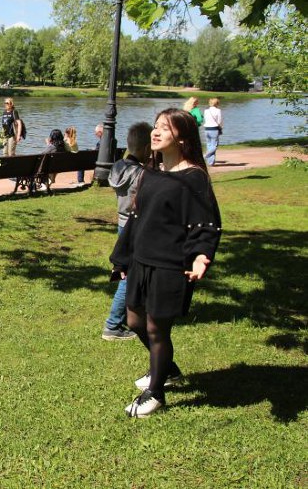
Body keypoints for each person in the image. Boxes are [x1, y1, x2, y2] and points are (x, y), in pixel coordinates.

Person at [110, 108, 221, 418]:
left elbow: (206, 224)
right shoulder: (151, 171)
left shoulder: (194, 177)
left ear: (182, 139)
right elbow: (136, 219)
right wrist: (122, 258)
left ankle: (156, 394)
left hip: (170, 265)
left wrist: (201, 256)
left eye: (165, 129)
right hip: (141, 261)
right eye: (155, 126)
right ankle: (167, 369)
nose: (155, 132)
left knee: (157, 329)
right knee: (134, 322)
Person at [101, 122, 152, 342]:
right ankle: (113, 325)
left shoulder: (118, 167)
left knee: (128, 271)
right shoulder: (140, 173)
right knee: (128, 276)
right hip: (135, 225)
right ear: (147, 148)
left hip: (122, 221)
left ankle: (139, 310)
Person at [203, 97, 223, 166]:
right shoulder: (218, 110)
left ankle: (211, 162)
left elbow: (205, 119)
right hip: (214, 129)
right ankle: (205, 156)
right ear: (217, 103)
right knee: (214, 145)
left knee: (209, 145)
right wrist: (221, 127)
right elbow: (219, 121)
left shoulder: (206, 111)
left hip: (206, 129)